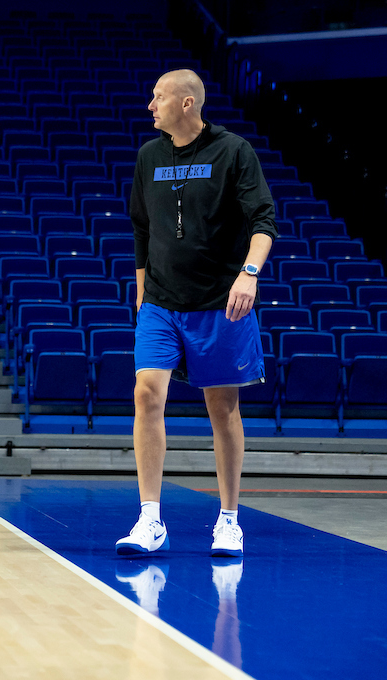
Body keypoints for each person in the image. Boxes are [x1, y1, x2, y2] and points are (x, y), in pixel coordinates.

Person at [117, 69, 276, 558]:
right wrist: (143, 288)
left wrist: (248, 273)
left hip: (217, 302)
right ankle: (150, 519)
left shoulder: (232, 152)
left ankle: (228, 520)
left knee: (221, 406)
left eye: (158, 97)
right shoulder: (150, 156)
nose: (150, 105)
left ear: (187, 103)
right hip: (162, 301)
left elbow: (263, 220)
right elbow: (141, 228)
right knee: (147, 392)